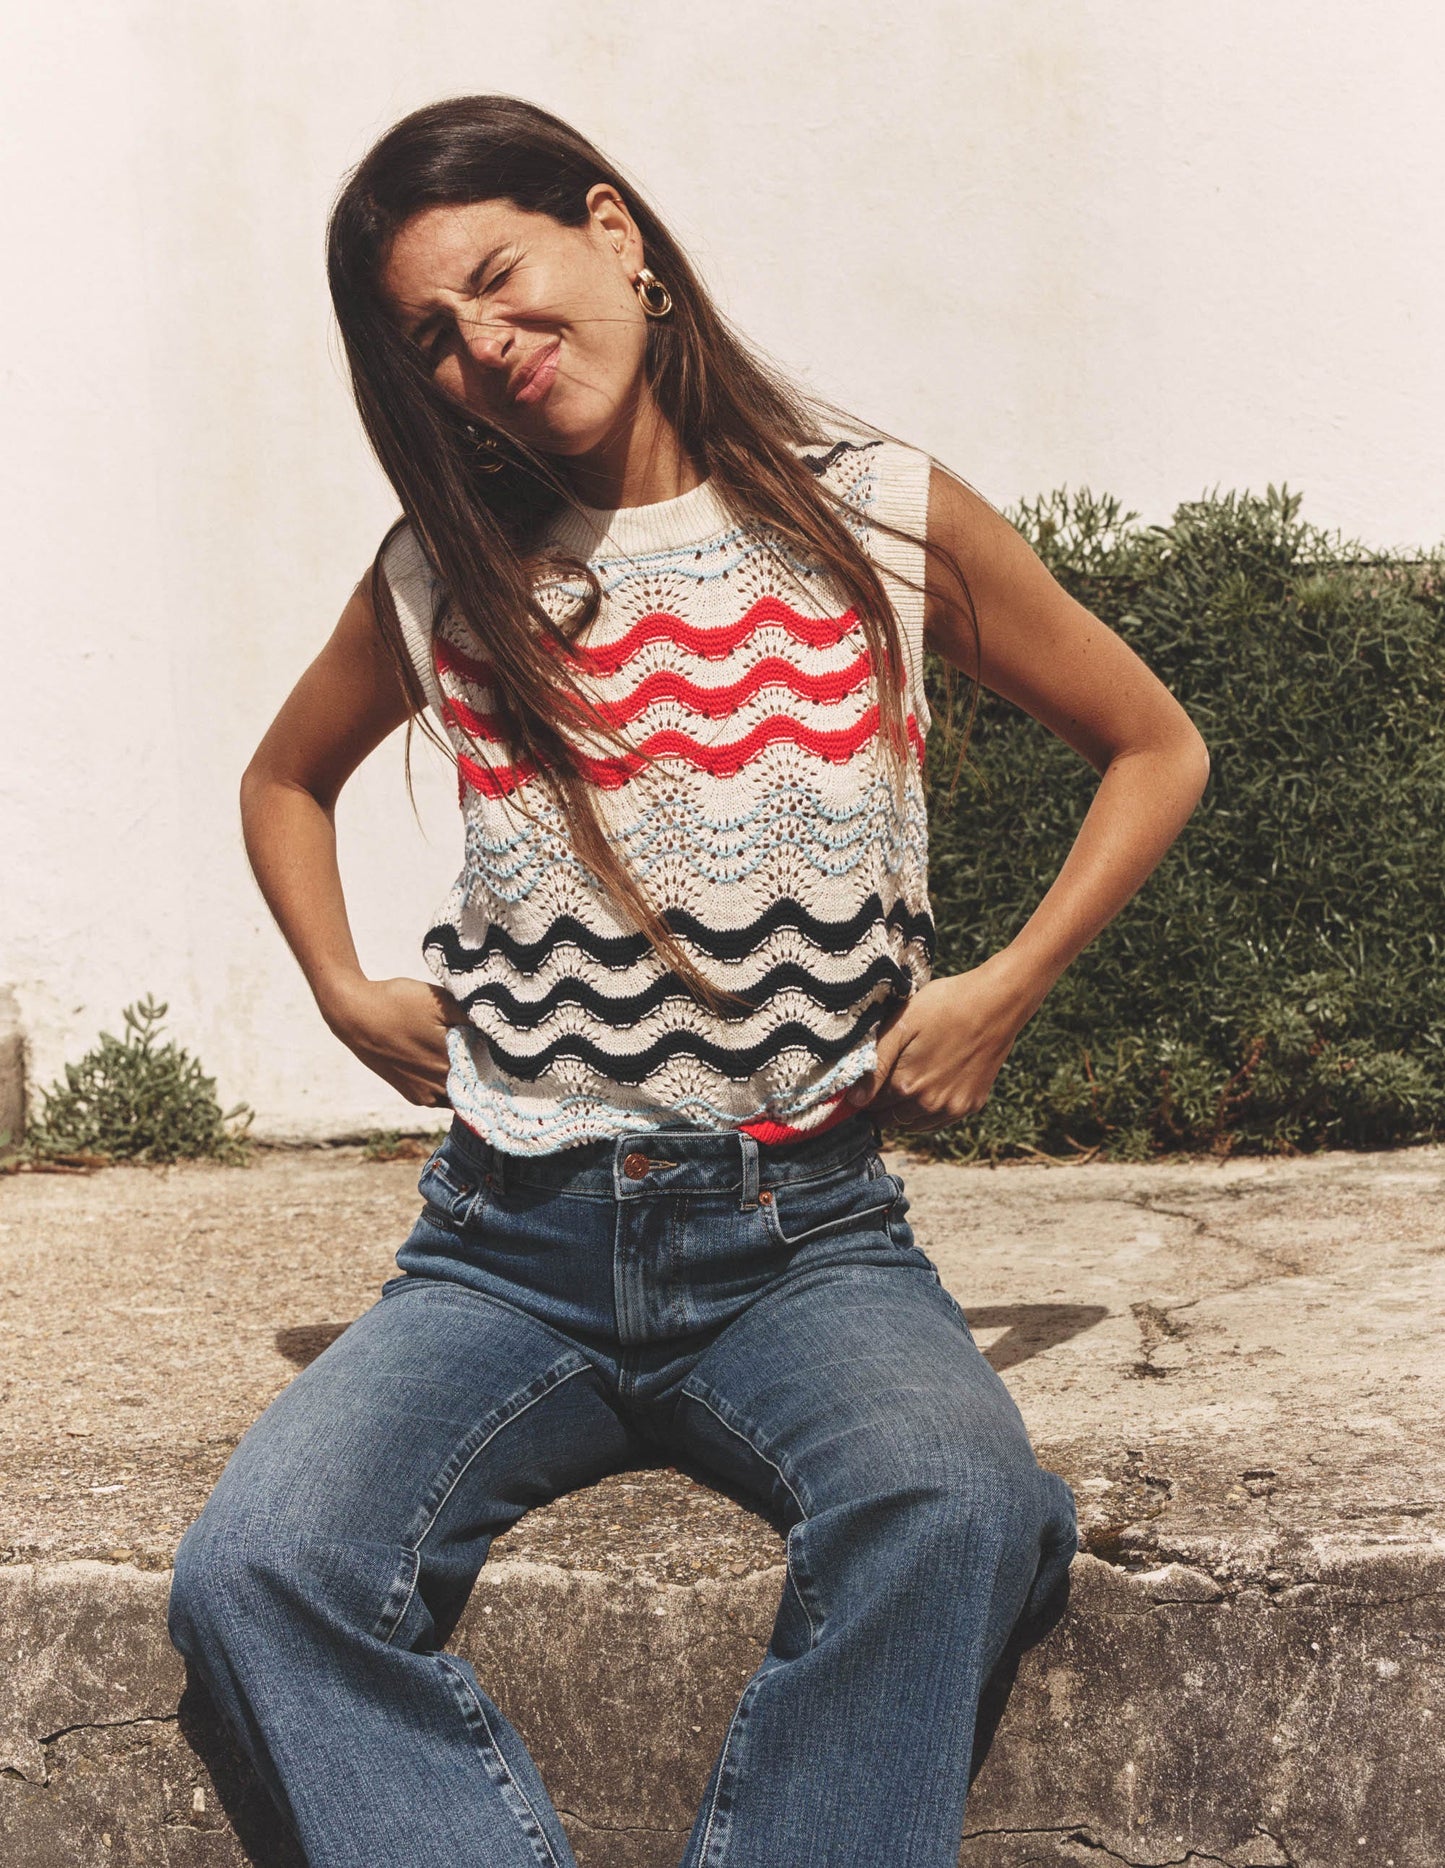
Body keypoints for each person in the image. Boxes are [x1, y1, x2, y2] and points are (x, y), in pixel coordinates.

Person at [166, 93, 1210, 1868]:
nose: (484, 350)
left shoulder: (878, 519)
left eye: (498, 282)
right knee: (256, 1568)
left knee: (958, 1503)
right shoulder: (449, 578)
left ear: (615, 235)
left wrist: (1004, 987)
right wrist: (340, 983)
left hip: (803, 1241)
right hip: (504, 1252)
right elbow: (285, 779)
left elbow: (1152, 744)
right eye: (430, 339)